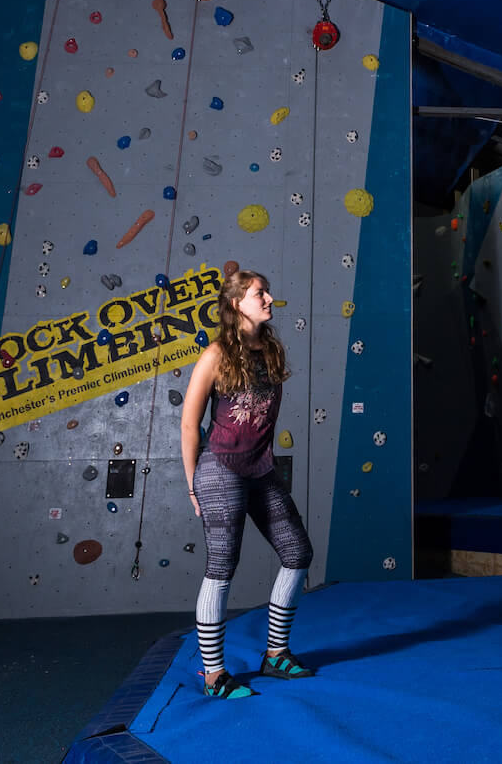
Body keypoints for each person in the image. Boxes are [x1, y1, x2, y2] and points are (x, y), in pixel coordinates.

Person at [180, 267, 317, 700]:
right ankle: (214, 674)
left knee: (297, 553)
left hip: (260, 469)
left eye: (269, 292)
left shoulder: (271, 350)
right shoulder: (216, 354)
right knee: (222, 566)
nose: (269, 298)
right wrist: (191, 486)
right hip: (220, 468)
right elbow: (189, 424)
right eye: (260, 293)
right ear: (237, 303)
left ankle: (275, 655)